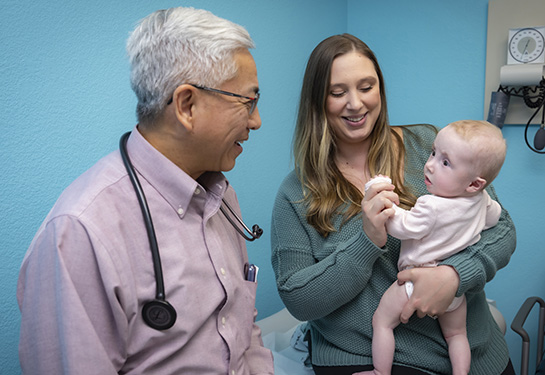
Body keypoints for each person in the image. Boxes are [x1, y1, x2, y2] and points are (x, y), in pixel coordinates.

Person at [17, 7, 273, 374]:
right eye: (247, 101)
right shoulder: (79, 233)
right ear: (187, 105)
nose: (257, 121)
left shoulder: (221, 195)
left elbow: (243, 331)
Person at [270, 33, 516, 375]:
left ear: (380, 90)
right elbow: (299, 299)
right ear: (317, 101)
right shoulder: (296, 193)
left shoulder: (430, 146)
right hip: (365, 358)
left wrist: (454, 276)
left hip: (475, 355)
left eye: (366, 87)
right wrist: (366, 241)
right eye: (338, 92)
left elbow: (502, 229)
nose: (355, 103)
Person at [361, 120, 507, 375]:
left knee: (382, 322)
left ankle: (379, 372)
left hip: (414, 282)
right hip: (454, 293)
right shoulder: (484, 201)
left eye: (445, 162)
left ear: (474, 183)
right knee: (457, 335)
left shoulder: (431, 206)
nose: (429, 164)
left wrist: (385, 204)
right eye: (433, 152)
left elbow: (402, 227)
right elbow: (495, 220)